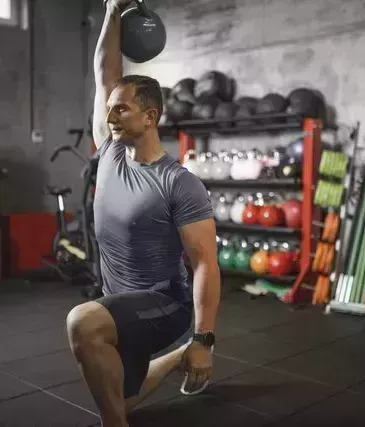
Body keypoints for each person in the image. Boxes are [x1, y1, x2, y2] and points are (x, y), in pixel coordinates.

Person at [65, 0, 221, 426]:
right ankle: (173, 360)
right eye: (110, 107)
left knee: (82, 322)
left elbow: (205, 262)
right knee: (123, 396)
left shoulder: (178, 182)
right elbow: (104, 70)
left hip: (164, 305)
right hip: (119, 299)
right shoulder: (111, 153)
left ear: (150, 117)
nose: (110, 114)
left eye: (122, 108)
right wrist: (114, 11)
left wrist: (203, 339)